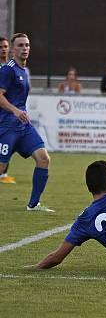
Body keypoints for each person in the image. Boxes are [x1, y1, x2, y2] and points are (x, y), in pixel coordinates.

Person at [0, 33, 52, 211]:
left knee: (43, 159)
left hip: (23, 126)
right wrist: (15, 111)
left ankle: (33, 204)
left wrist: (20, 113)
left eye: (27, 45)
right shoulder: (8, 69)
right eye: (21, 45)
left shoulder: (23, 70)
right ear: (13, 49)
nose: (25, 49)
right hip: (7, 127)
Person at [0, 37, 15, 184]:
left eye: (5, 46)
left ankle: (3, 174)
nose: (3, 49)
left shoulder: (12, 66)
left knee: (8, 142)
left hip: (8, 111)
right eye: (1, 47)